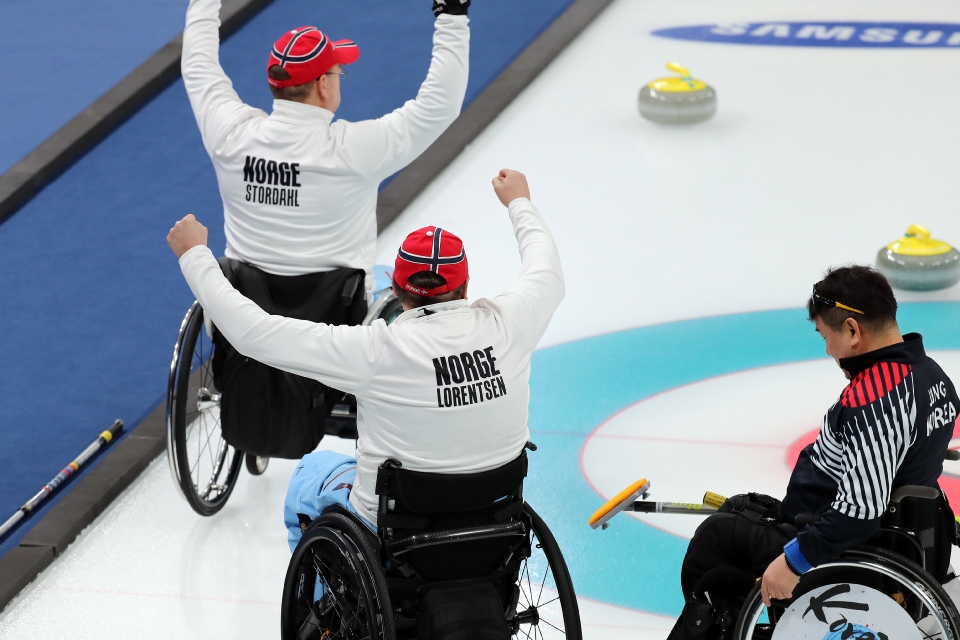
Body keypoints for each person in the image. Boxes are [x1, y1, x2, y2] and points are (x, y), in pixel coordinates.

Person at [166, 170, 565, 542]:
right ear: (466, 287)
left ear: (397, 289)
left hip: (398, 527)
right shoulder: (510, 324)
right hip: (493, 516)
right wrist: (519, 202)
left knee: (309, 475)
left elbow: (253, 333)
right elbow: (546, 269)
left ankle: (325, 613)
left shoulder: (375, 352)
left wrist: (195, 256)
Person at [668, 265, 959, 639]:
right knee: (742, 509)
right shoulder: (934, 376)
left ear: (853, 330)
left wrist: (792, 562)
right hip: (902, 534)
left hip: (848, 547)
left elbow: (859, 512)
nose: (827, 350)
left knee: (715, 540)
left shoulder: (873, 397)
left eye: (826, 336)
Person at [181, 0, 471, 300]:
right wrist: (452, 16)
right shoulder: (354, 150)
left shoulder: (230, 134)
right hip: (335, 326)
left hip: (244, 321)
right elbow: (440, 105)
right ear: (322, 85)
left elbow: (197, 66)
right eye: (338, 72)